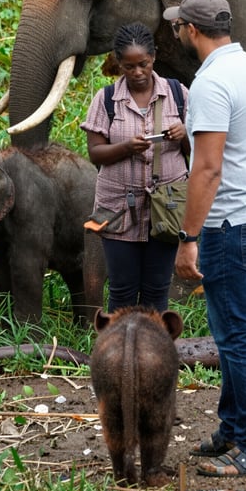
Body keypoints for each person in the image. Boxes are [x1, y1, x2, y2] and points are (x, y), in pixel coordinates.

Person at [165, 0, 246, 478]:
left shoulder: (211, 82)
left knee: (240, 336)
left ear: (192, 30)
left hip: (232, 221)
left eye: (178, 26)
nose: (177, 32)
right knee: (235, 330)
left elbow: (208, 169)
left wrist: (188, 236)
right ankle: (234, 428)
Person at [81, 22, 189, 313]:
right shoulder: (106, 100)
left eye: (143, 64)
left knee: (157, 289)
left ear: (154, 57)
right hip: (118, 210)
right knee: (122, 290)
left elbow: (198, 151)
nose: (138, 72)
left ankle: (155, 341)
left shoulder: (178, 94)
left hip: (166, 209)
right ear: (118, 64)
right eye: (129, 67)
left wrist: (184, 134)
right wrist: (126, 147)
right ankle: (120, 342)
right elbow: (95, 153)